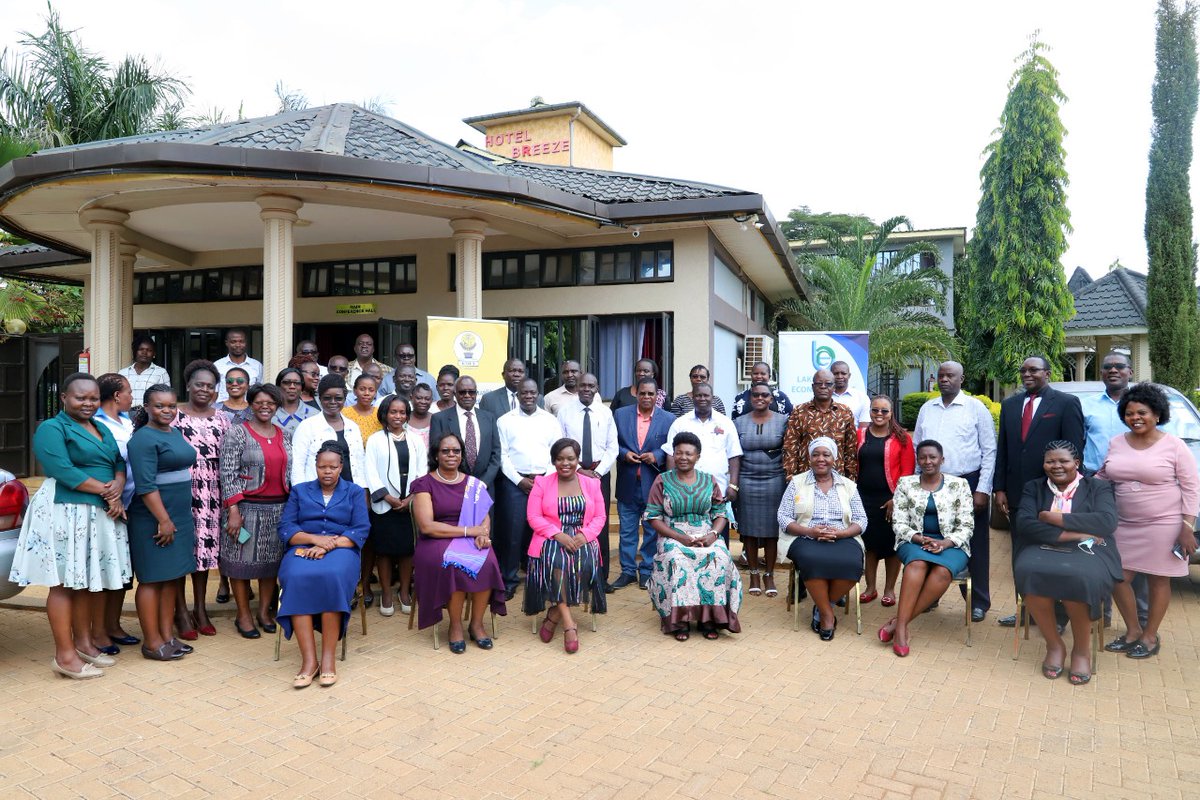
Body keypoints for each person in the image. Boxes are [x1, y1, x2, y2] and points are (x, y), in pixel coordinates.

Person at [9, 373, 131, 679]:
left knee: (85, 582)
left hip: (97, 510)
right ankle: (64, 656)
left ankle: (85, 645)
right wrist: (108, 492)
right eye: (80, 397)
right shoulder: (52, 428)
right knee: (64, 582)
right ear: (64, 398)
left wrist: (117, 486)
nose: (88, 403)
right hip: (66, 509)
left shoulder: (100, 427)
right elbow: (60, 469)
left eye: (92, 398)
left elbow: (118, 462)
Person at [1100, 382, 1200, 660]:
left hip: (1163, 524)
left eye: (1142, 412)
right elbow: (1105, 475)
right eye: (1130, 413)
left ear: (1157, 414)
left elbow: (1192, 488)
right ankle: (1132, 631)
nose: (1136, 418)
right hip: (1124, 523)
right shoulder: (1117, 442)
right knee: (1117, 577)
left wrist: (1187, 527)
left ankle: (1150, 635)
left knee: (1158, 580)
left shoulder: (1175, 446)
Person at [1014, 441, 1120, 684]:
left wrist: (1053, 517)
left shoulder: (1098, 487)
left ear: (1077, 463)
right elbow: (1025, 524)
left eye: (1064, 461)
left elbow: (1105, 522)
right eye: (1050, 461)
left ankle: (1081, 650)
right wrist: (1075, 533)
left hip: (1091, 549)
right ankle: (1055, 645)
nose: (1056, 466)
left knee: (1079, 577)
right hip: (1044, 546)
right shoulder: (1034, 487)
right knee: (1027, 570)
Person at [994, 354, 1084, 627]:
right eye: (1023, 370)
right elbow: (1005, 450)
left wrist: (1066, 489)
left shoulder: (1066, 403)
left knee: (1053, 552)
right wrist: (999, 488)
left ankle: (1058, 615)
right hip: (1018, 494)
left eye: (1033, 370)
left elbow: (1073, 449)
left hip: (1052, 494)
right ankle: (1026, 609)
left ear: (1047, 373)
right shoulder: (1009, 405)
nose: (1027, 374)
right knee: (1021, 553)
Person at [277, 442, 369, 688]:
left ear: (341, 468)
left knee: (331, 576)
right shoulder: (300, 491)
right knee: (296, 578)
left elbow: (360, 530)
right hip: (302, 548)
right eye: (322, 467)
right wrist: (314, 539)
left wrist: (328, 545)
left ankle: (328, 660)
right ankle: (309, 662)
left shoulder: (355, 492)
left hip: (342, 550)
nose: (327, 471)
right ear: (315, 467)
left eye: (332, 467)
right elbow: (286, 528)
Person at [913, 360, 997, 621]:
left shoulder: (975, 408)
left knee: (973, 542)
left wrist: (983, 488)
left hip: (967, 483)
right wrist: (916, 485)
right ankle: (930, 597)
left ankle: (977, 602)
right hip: (932, 484)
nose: (945, 379)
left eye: (950, 375)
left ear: (962, 379)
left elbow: (989, 450)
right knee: (932, 537)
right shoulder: (927, 409)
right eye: (941, 375)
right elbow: (917, 446)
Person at [410, 432, 508, 652]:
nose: (451, 455)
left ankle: (476, 624)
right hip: (436, 540)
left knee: (488, 563)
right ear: (436, 455)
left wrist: (483, 533)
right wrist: (468, 531)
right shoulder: (424, 484)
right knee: (454, 564)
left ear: (462, 455)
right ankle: (454, 626)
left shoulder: (473, 483)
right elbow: (427, 526)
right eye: (445, 451)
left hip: (471, 535)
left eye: (456, 451)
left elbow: (484, 514)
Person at [646, 432, 742, 641]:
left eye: (688, 453)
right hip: (673, 534)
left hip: (707, 534)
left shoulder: (709, 481)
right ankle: (679, 621)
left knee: (720, 558)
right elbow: (653, 517)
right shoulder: (662, 480)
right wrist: (680, 538)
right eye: (679, 453)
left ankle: (709, 619)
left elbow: (720, 513)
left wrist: (713, 535)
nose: (683, 457)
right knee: (677, 560)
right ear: (673, 454)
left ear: (698, 456)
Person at [880, 440, 973, 656]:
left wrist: (945, 543)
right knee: (917, 564)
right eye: (923, 457)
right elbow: (899, 523)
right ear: (918, 460)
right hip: (913, 542)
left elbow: (967, 524)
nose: (927, 461)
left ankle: (898, 623)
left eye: (932, 457)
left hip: (952, 544)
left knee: (942, 571)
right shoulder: (906, 484)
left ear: (942, 460)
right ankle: (902, 630)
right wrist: (920, 539)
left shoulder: (959, 485)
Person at [126, 384, 198, 661]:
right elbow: (145, 485)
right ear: (147, 407)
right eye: (159, 406)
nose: (167, 411)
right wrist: (163, 520)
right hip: (154, 518)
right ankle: (152, 642)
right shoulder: (143, 439)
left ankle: (168, 636)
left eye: (171, 405)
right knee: (152, 580)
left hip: (178, 514)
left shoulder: (174, 432)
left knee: (172, 578)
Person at [219, 383, 292, 639]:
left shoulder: (284, 434)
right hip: (245, 509)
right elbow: (227, 473)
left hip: (278, 509)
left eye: (271, 403)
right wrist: (234, 511)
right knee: (240, 564)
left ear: (277, 406)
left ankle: (263, 612)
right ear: (251, 404)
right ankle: (244, 615)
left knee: (270, 565)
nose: (265, 406)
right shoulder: (237, 433)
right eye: (260, 402)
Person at [777, 437, 867, 641]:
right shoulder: (797, 483)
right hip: (806, 537)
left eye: (826, 454)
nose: (821, 459)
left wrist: (841, 533)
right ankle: (826, 615)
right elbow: (783, 516)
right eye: (816, 454)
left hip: (842, 537)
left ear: (834, 458)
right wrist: (809, 531)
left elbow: (861, 519)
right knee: (811, 560)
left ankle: (823, 605)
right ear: (809, 458)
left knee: (853, 563)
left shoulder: (848, 485)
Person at [525, 438, 608, 653]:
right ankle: (570, 625)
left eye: (570, 458)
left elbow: (600, 517)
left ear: (577, 460)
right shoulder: (542, 483)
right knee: (558, 564)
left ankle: (554, 616)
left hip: (583, 537)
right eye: (560, 459)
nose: (565, 463)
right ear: (553, 461)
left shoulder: (592, 483)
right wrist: (557, 534)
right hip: (551, 537)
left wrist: (585, 535)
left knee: (585, 564)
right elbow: (533, 516)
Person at [171, 360, 230, 640]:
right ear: (188, 386)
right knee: (182, 549)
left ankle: (200, 609)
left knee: (205, 551)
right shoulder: (174, 417)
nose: (204, 389)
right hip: (181, 489)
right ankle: (180, 610)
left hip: (212, 493)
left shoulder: (222, 419)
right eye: (199, 384)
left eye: (210, 385)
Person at [495, 377, 561, 597]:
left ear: (538, 394)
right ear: (518, 394)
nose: (529, 396)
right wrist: (518, 480)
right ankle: (510, 580)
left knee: (542, 531)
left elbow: (558, 453)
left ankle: (539, 578)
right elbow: (502, 455)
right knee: (512, 533)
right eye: (524, 393)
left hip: (545, 482)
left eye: (533, 392)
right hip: (516, 484)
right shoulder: (505, 421)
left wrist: (544, 481)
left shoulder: (551, 420)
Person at [364, 394, 427, 615]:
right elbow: (370, 472)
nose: (397, 416)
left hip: (409, 504)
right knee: (384, 551)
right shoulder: (375, 440)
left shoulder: (415, 439)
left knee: (407, 550)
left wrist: (410, 498)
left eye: (402, 412)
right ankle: (387, 593)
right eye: (393, 412)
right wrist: (388, 498)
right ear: (384, 414)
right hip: (385, 504)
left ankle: (404, 592)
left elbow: (422, 471)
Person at [557, 373, 618, 590]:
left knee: (598, 524)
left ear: (597, 387)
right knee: (577, 521)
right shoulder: (564, 413)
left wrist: (599, 472)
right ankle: (577, 573)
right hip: (573, 475)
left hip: (599, 474)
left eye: (591, 385)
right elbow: (560, 444)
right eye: (583, 385)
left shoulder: (605, 412)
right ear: (577, 387)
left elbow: (613, 447)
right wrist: (579, 471)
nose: (586, 389)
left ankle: (601, 578)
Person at [612, 378, 674, 590]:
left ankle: (647, 571)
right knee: (627, 531)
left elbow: (671, 448)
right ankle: (627, 571)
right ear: (636, 394)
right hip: (628, 482)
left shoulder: (668, 419)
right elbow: (612, 442)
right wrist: (623, 453)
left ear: (657, 396)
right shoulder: (621, 415)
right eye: (643, 393)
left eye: (651, 394)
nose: (647, 397)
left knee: (651, 530)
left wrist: (656, 455)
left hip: (653, 483)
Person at [93, 373, 139, 652]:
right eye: (129, 392)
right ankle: (97, 632)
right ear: (117, 396)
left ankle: (113, 625)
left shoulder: (127, 422)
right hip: (108, 507)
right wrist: (113, 497)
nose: (132, 397)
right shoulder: (97, 424)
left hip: (130, 504)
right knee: (104, 570)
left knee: (121, 572)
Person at [856, 395, 914, 608]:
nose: (879, 414)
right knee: (869, 545)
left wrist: (895, 499)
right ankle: (870, 588)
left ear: (891, 413)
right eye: (875, 410)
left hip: (890, 499)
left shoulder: (902, 438)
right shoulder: (860, 434)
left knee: (891, 546)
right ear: (869, 411)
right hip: (863, 498)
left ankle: (889, 589)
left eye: (884, 411)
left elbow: (907, 473)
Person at [733, 381, 788, 598]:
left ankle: (769, 574)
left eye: (765, 395)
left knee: (771, 531)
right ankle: (754, 573)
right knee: (748, 530)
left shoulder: (784, 421)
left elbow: (789, 450)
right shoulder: (738, 422)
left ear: (771, 399)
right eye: (755, 395)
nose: (760, 399)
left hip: (774, 479)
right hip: (746, 479)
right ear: (750, 398)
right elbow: (733, 454)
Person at [663, 383, 743, 507]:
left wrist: (733, 485)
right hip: (685, 491)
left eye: (706, 395)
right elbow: (670, 455)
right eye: (698, 395)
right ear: (692, 398)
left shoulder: (725, 423)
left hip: (718, 489)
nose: (702, 399)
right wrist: (673, 486)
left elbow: (734, 455)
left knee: (719, 525)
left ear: (713, 398)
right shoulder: (680, 423)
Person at [781, 369, 859, 480]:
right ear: (813, 387)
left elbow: (850, 450)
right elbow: (790, 448)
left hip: (837, 479)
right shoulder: (799, 412)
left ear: (834, 387)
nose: (823, 387)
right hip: (806, 478)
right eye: (819, 383)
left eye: (828, 384)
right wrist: (791, 479)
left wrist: (850, 481)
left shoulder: (844, 412)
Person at [429, 376, 501, 493]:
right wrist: (455, 481)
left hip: (484, 488)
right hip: (451, 487)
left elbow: (496, 453)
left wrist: (483, 483)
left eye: (471, 392)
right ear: (455, 393)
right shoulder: (439, 419)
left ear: (476, 393)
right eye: (462, 392)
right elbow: (436, 453)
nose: (467, 395)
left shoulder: (489, 418)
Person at [291, 375, 366, 486]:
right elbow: (297, 465)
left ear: (345, 399)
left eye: (338, 398)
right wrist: (301, 494)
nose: (333, 402)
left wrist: (363, 491)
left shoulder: (353, 427)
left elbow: (360, 464)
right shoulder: (307, 426)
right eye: (327, 398)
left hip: (350, 493)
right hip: (316, 494)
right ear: (320, 399)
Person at [118, 335, 169, 408]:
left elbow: (166, 397)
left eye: (149, 350)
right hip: (126, 414)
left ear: (154, 354)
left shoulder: (161, 373)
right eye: (141, 349)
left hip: (149, 415)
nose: (144, 352)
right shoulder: (122, 373)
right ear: (135, 352)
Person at [214, 329, 263, 402]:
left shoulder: (257, 365)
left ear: (246, 343)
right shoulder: (217, 366)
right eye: (233, 342)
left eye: (241, 341)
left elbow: (260, 391)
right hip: (222, 410)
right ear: (227, 343)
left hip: (249, 410)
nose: (238, 345)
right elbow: (214, 392)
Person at [272, 367, 318, 434]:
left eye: (297, 383)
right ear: (278, 387)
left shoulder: (315, 415)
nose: (292, 387)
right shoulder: (270, 415)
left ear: (302, 388)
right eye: (287, 382)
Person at [342, 374, 383, 446]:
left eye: (371, 390)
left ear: (375, 393)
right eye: (362, 389)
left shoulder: (381, 414)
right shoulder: (344, 413)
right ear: (355, 391)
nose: (366, 393)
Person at [830, 360, 870, 427]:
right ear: (830, 375)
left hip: (854, 436)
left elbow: (863, 428)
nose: (840, 376)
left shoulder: (862, 398)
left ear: (849, 375)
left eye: (843, 373)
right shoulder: (822, 397)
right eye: (836, 374)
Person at [406, 383, 435, 447]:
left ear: (432, 401)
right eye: (419, 398)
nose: (423, 402)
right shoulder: (403, 419)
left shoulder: (436, 419)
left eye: (427, 399)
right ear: (411, 398)